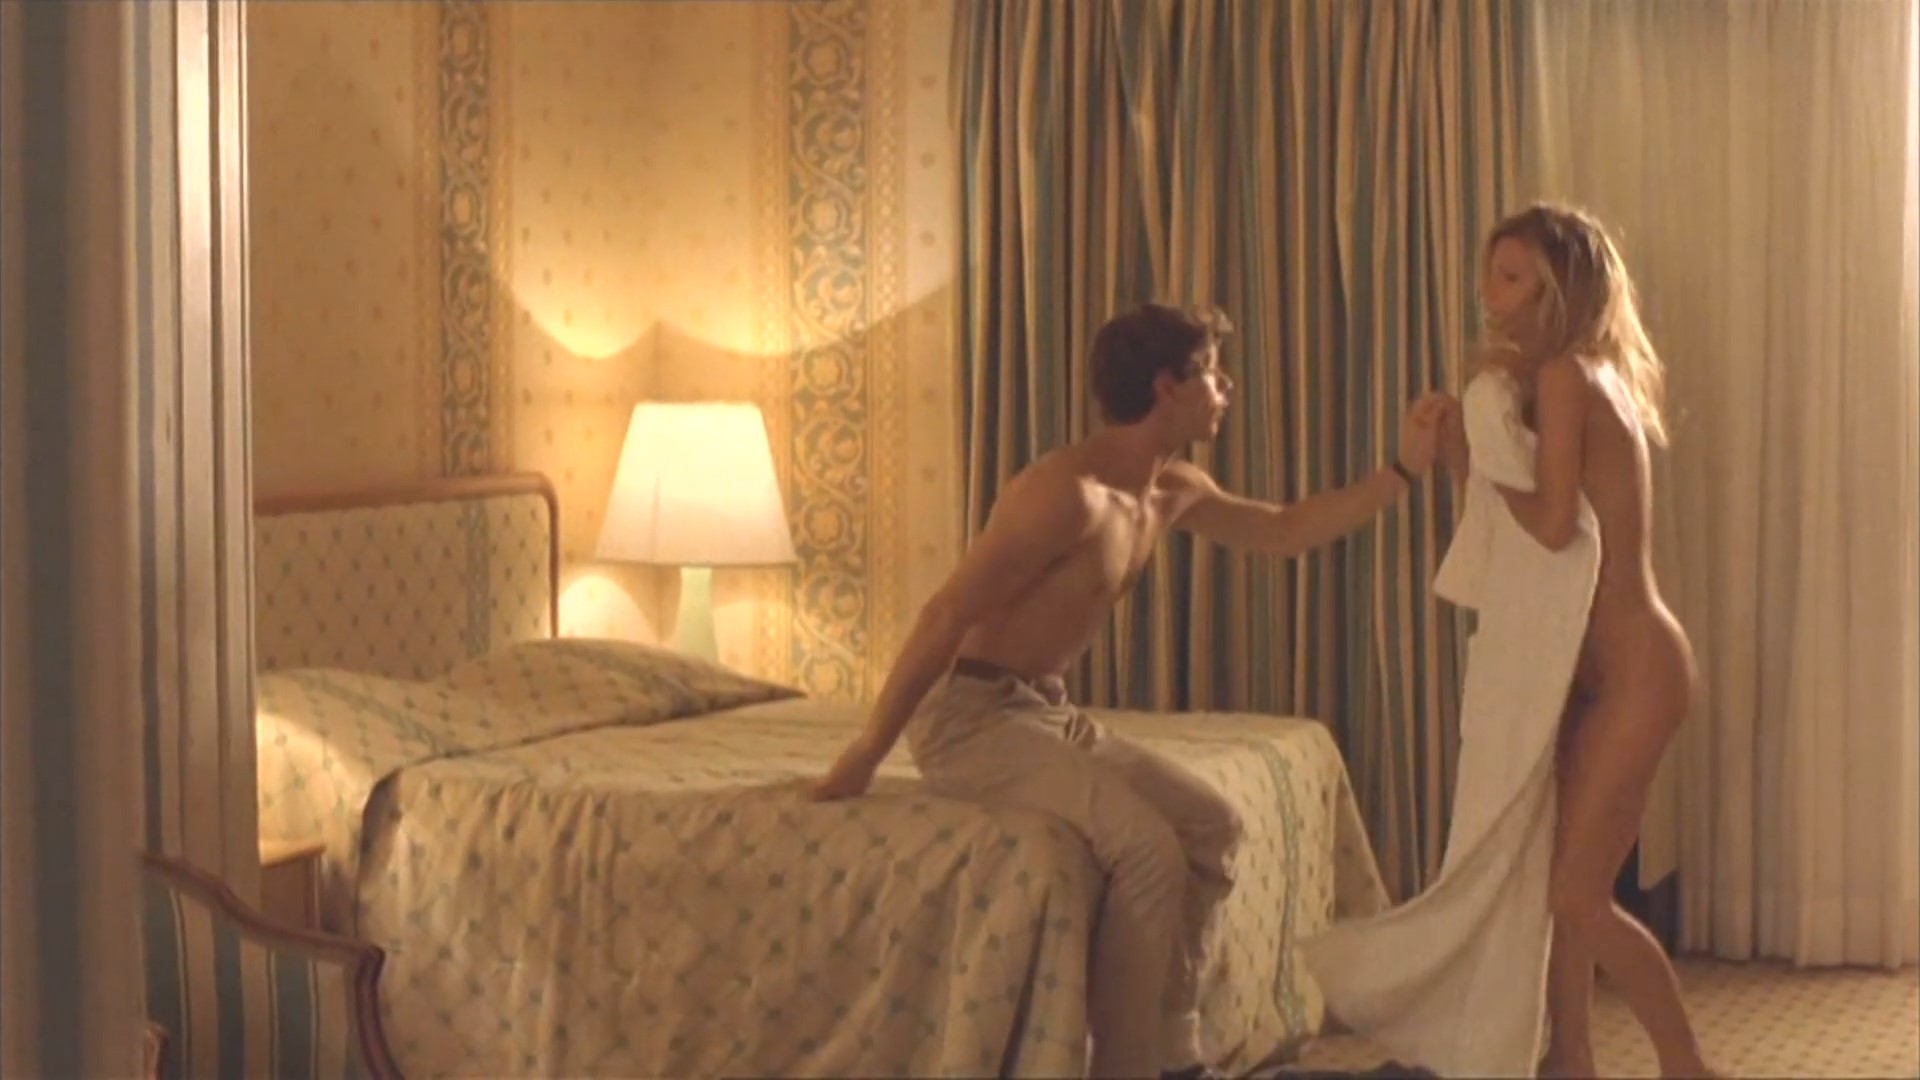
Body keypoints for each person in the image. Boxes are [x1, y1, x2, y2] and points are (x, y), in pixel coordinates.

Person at [810, 301, 1450, 1080]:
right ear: (1164, 388)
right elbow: (946, 614)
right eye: (1209, 372)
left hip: (1042, 711)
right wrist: (865, 752)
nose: (1226, 386)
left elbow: (1286, 530)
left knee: (1211, 825)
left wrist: (1403, 470)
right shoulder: (1063, 495)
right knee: (1145, 850)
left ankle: (1174, 1052)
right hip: (968, 719)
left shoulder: (1172, 487)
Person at [1442, 204, 1717, 1078]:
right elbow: (1525, 523)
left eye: (1512, 278)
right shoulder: (1583, 375)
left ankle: (1689, 1067)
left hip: (1635, 672)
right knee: (1558, 884)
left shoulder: (1566, 376)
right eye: (1490, 275)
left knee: (1575, 893)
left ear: (1559, 289)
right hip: (1598, 670)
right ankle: (1569, 1060)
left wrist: (1478, 454)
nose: (1491, 295)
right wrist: (1468, 453)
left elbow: (1554, 525)